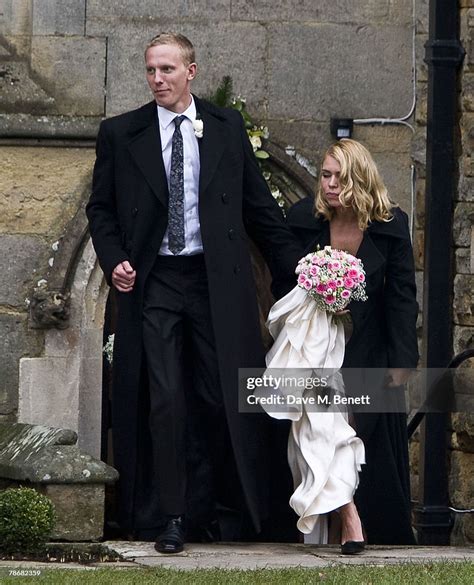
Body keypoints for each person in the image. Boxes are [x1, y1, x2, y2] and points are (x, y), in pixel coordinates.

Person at [86, 32, 302, 553]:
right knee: (165, 397)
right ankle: (172, 516)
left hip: (214, 283)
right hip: (155, 279)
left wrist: (298, 272)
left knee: (218, 394)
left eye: (166, 70)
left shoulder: (226, 127)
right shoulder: (122, 133)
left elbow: (258, 208)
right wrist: (114, 258)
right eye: (150, 71)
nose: (157, 79)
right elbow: (102, 209)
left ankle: (224, 512)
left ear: (191, 71)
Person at [285, 139, 419, 545]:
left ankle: (359, 518)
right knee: (324, 427)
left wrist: (402, 359)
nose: (328, 184)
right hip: (315, 348)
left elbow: (401, 298)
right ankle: (347, 518)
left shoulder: (391, 228)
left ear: (359, 180)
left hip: (369, 349)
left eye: (338, 177)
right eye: (324, 175)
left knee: (360, 433)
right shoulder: (301, 221)